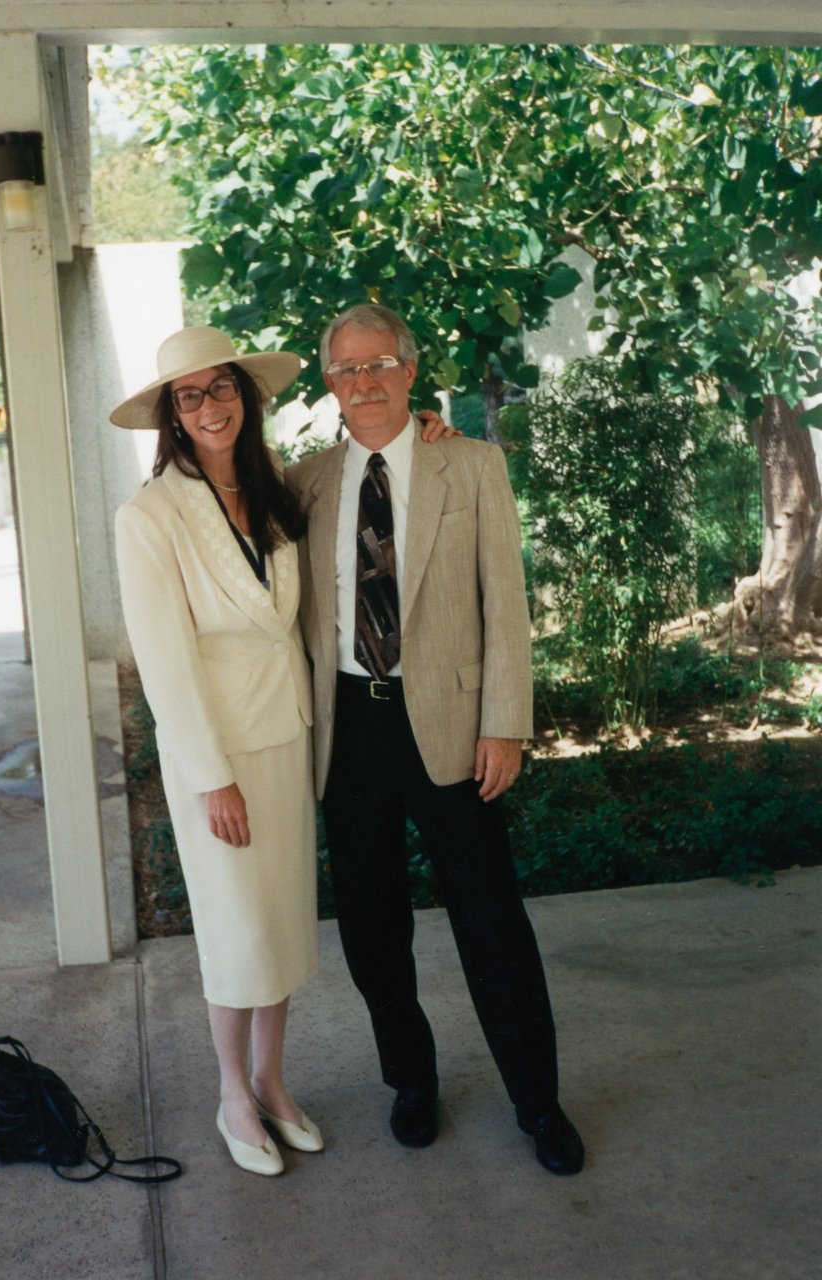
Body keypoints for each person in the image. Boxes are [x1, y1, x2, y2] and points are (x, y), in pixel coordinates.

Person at [289, 304, 584, 1175]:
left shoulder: (472, 464)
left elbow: (508, 608)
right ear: (329, 384)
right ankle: (411, 1084)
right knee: (374, 929)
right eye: (345, 369)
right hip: (349, 728)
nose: (363, 381)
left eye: (379, 363)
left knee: (491, 922)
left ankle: (539, 1103)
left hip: (451, 726)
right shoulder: (306, 483)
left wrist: (505, 722)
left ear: (411, 372)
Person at [111, 326, 322, 1177]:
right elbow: (164, 662)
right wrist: (212, 779)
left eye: (221, 388)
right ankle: (232, 1092)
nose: (209, 406)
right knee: (236, 932)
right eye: (189, 396)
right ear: (171, 413)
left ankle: (273, 1082)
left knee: (279, 924)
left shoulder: (274, 488)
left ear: (246, 394)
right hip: (222, 756)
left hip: (287, 734)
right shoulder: (150, 514)